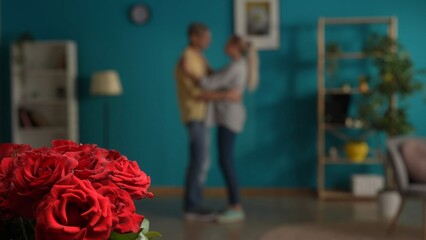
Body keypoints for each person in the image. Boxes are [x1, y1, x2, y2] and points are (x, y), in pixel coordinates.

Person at [186, 35, 259, 223]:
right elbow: (217, 77)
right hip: (228, 117)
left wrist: (192, 75)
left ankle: (236, 205)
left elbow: (209, 82)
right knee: (225, 160)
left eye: (228, 42)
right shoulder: (236, 65)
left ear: (234, 46)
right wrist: (221, 92)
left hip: (229, 118)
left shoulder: (236, 66)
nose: (223, 44)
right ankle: (234, 204)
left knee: (226, 161)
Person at [175, 23, 239, 222]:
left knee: (203, 161)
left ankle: (194, 204)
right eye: (205, 37)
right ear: (194, 37)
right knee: (198, 160)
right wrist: (227, 95)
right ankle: (192, 207)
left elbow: (210, 77)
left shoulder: (197, 57)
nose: (209, 41)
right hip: (195, 115)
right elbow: (199, 92)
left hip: (203, 116)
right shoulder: (188, 58)